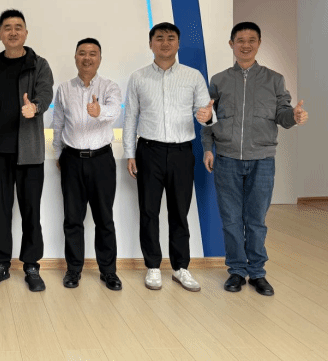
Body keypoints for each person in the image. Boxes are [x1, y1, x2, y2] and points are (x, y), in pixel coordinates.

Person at [201, 22, 308, 296]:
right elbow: (209, 118)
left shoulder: (275, 79)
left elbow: (282, 115)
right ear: (231, 44)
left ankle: (257, 272)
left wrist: (293, 117)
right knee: (231, 219)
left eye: (251, 40)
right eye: (240, 40)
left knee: (256, 219)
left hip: (262, 159)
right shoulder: (219, 80)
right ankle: (237, 271)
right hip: (226, 158)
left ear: (259, 43)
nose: (245, 45)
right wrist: (208, 148)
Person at [123, 22, 213, 292]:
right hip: (148, 151)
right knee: (149, 211)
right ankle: (152, 266)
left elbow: (206, 114)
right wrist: (129, 152)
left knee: (179, 212)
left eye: (170, 38)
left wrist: (207, 117)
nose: (165, 43)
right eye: (159, 38)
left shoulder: (193, 76)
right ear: (150, 43)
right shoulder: (138, 77)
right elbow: (131, 117)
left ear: (178, 43)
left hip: (181, 152)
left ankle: (180, 268)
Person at [0, 9, 53, 292]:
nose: (13, 32)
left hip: (30, 151)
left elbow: (45, 93)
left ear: (26, 33)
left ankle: (31, 265)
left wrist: (36, 107)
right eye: (7, 27)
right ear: (0, 34)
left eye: (18, 27)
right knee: (1, 211)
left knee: (31, 211)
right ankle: (1, 264)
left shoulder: (39, 64)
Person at [53, 38, 123, 290]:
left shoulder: (109, 87)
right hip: (71, 159)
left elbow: (114, 111)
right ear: (75, 57)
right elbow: (58, 123)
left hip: (101, 160)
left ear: (100, 59)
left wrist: (98, 111)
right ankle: (73, 270)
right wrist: (59, 153)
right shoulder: (64, 88)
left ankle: (109, 271)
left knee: (104, 218)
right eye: (82, 53)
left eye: (93, 53)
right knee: (73, 219)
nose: (87, 58)